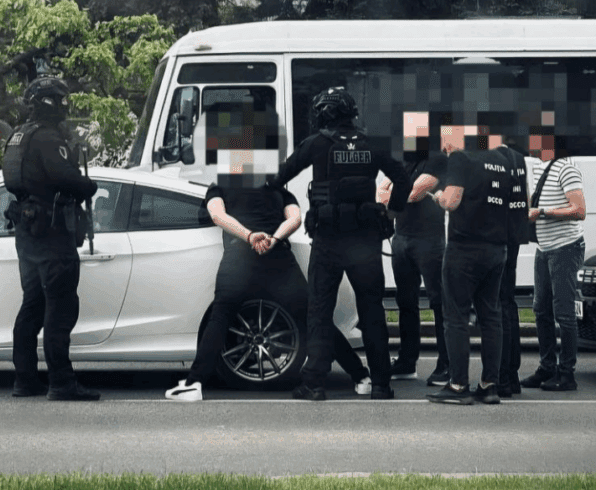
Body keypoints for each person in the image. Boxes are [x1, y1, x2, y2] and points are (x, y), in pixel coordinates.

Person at [166, 100, 372, 402]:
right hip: (279, 261)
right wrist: (273, 238)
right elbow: (295, 219)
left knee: (221, 317)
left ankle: (195, 384)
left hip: (239, 258)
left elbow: (217, 216)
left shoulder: (221, 185)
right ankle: (361, 376)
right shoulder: (276, 188)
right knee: (314, 318)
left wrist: (250, 236)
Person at [269, 87, 411, 401]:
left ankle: (314, 384)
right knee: (372, 311)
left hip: (329, 241)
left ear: (327, 113)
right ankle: (381, 385)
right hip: (365, 242)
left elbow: (278, 177)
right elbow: (403, 180)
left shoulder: (317, 143)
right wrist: (390, 213)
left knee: (320, 312)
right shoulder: (373, 143)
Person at [2, 76, 99, 401]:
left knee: (32, 306)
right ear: (50, 102)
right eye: (61, 100)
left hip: (27, 232)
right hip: (52, 233)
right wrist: (89, 187)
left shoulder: (18, 136)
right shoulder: (46, 137)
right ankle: (62, 383)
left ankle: (25, 380)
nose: (65, 106)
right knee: (60, 308)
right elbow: (65, 177)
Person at [427, 124, 523, 405]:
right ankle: (490, 385)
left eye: (446, 141)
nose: (445, 148)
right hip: (497, 250)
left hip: (464, 249)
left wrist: (439, 197)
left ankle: (458, 386)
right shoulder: (503, 160)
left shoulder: (461, 157)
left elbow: (452, 201)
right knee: (491, 317)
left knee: (456, 317)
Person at [376, 112, 448, 386]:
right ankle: (407, 362)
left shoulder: (438, 159)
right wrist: (394, 194)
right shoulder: (405, 162)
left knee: (439, 303)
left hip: (429, 241)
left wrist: (393, 194)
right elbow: (380, 191)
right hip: (402, 239)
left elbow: (415, 194)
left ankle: (446, 364)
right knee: (405, 302)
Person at [521, 128, 586, 392]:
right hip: (544, 248)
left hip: (565, 248)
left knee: (564, 312)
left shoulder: (567, 168)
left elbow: (579, 210)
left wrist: (542, 212)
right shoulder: (539, 167)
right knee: (541, 309)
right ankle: (547, 368)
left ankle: (567, 373)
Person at [493, 136, 530, 398]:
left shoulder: (491, 159)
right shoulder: (518, 158)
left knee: (496, 307)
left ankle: (502, 378)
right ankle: (512, 376)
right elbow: (524, 198)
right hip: (514, 235)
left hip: (495, 238)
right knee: (509, 303)